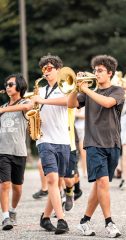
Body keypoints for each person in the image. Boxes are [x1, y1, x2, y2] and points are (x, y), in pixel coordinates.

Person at [68, 54, 125, 238]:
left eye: (100, 71)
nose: (96, 73)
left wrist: (86, 89)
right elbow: (71, 104)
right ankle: (109, 223)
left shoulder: (118, 90)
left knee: (101, 185)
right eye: (95, 70)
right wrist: (74, 87)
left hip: (113, 143)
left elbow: (107, 103)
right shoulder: (87, 92)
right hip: (93, 143)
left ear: (110, 73)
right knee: (102, 183)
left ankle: (84, 221)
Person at [32, 54, 70, 234]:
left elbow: (70, 102)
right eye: (43, 69)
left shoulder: (66, 87)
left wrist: (43, 101)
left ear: (58, 70)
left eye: (49, 68)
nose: (46, 72)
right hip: (44, 139)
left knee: (57, 181)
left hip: (63, 139)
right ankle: (62, 220)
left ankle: (45, 217)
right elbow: (33, 107)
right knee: (52, 179)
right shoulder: (39, 90)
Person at [0, 73, 33, 230]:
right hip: (3, 151)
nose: (7, 87)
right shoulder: (2, 108)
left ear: (19, 86)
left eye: (10, 84)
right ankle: (5, 217)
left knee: (17, 187)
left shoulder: (25, 102)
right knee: (4, 184)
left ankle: (13, 211)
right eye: (6, 85)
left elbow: (28, 107)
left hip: (19, 151)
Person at [75, 107, 87, 177]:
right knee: (78, 151)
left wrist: (75, 114)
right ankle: (82, 170)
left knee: (83, 151)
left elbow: (86, 115)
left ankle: (85, 171)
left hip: (83, 129)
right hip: (76, 128)